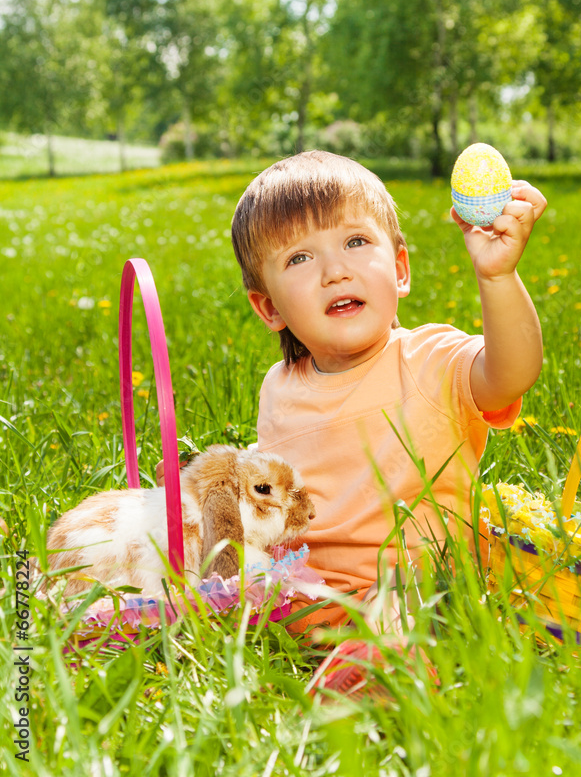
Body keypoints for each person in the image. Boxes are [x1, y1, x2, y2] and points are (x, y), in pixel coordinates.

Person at [158, 149, 546, 691]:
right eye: (299, 259)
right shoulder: (279, 387)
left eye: (356, 242)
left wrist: (498, 277)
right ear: (268, 308)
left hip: (419, 582)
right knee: (209, 592)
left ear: (400, 268)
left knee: (403, 605)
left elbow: (512, 373)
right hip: (310, 589)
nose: (334, 270)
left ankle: (372, 678)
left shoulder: (430, 360)